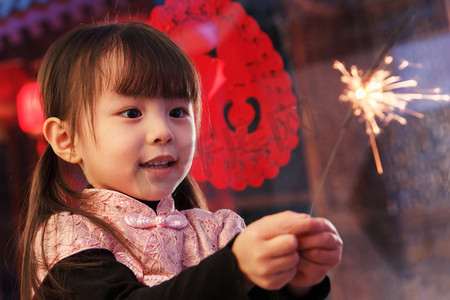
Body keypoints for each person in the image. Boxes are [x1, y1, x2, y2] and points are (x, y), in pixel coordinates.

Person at [20, 22, 342, 300]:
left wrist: (297, 283)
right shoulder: (68, 234)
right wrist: (235, 268)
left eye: (177, 112)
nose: (163, 132)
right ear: (66, 140)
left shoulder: (218, 231)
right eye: (132, 113)